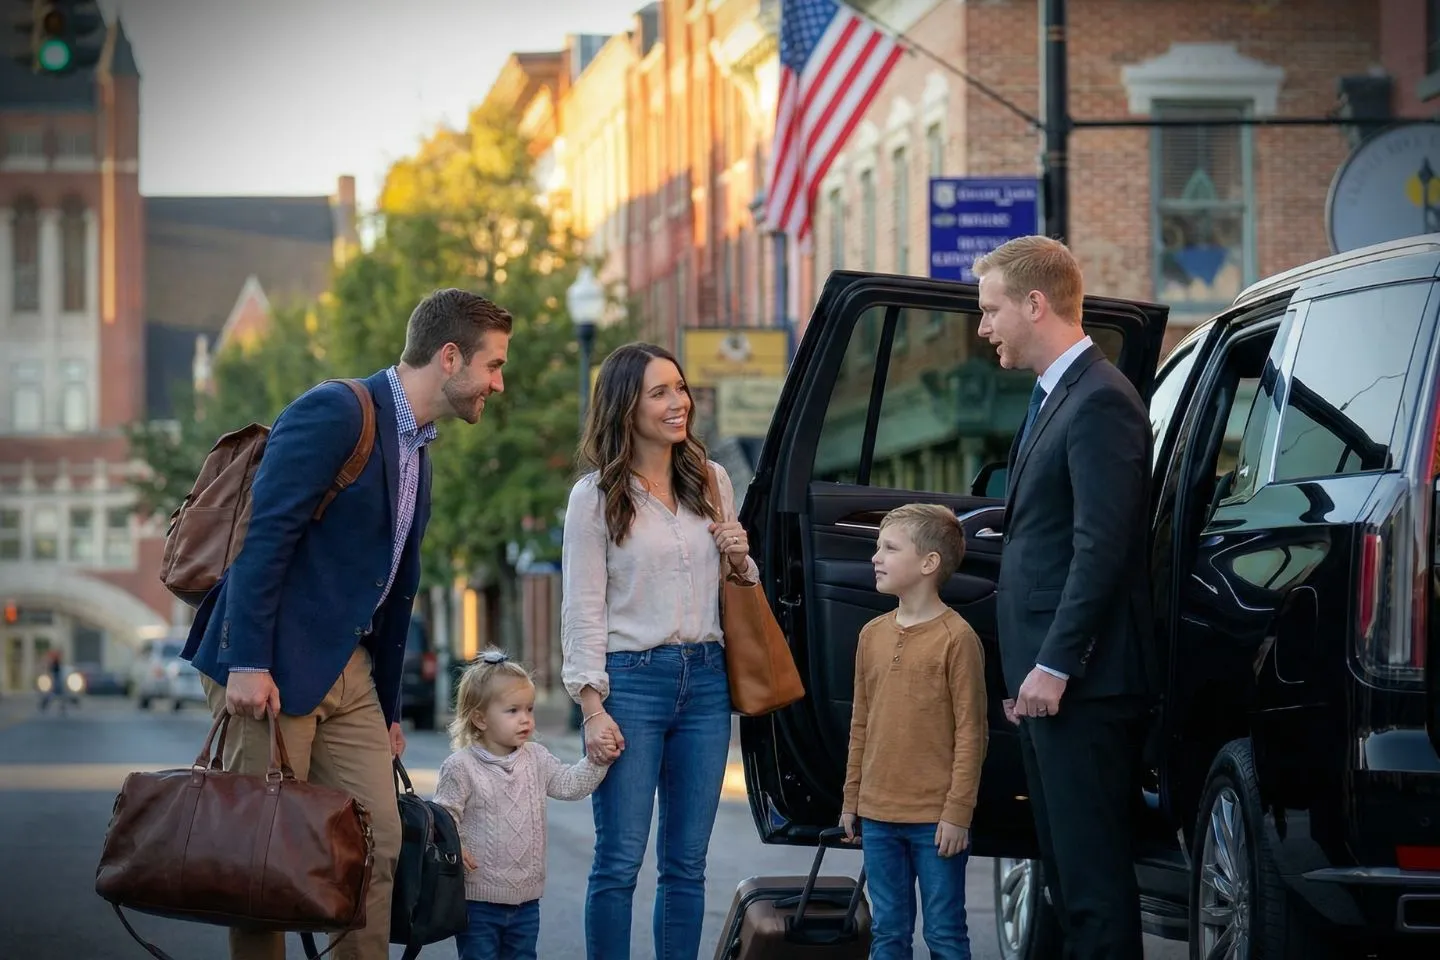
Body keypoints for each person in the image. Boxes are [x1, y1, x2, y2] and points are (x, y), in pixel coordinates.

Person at [182, 287, 513, 960]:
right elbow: (263, 537)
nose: (498, 385)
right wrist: (247, 660)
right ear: (450, 358)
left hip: (350, 675)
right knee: (264, 861)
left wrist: (390, 708)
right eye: (494, 365)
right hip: (268, 666)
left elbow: (395, 589)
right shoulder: (335, 411)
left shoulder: (419, 447)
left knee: (376, 844)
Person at [974, 235, 1152, 959]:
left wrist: (1054, 664)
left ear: (1035, 303)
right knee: (1062, 884)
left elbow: (1100, 550)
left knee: (1092, 887)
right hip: (1049, 685)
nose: (983, 327)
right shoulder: (1057, 395)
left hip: (1085, 685)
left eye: (991, 311)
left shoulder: (1101, 401)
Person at [560, 341, 756, 960]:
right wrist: (592, 707)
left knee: (687, 864)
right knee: (618, 861)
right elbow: (582, 607)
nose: (680, 403)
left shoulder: (713, 480)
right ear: (626, 407)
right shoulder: (593, 497)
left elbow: (737, 587)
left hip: (705, 681)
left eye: (681, 388)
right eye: (660, 392)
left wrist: (739, 556)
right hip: (631, 684)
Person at [840, 503, 987, 960]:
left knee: (944, 934)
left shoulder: (957, 638)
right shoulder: (871, 635)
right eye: (877, 548)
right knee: (887, 933)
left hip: (935, 820)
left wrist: (958, 813)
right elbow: (860, 721)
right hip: (879, 817)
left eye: (889, 548)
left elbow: (972, 732)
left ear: (928, 563)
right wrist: (852, 799)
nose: (875, 557)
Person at [434, 649, 618, 960]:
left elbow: (570, 784)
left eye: (529, 709)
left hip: (526, 901)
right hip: (477, 901)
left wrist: (598, 761)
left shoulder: (536, 758)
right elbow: (443, 816)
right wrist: (455, 846)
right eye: (513, 711)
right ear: (479, 718)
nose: (526, 719)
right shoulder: (460, 767)